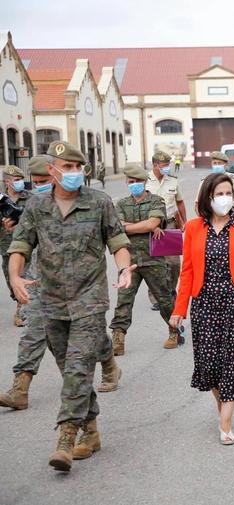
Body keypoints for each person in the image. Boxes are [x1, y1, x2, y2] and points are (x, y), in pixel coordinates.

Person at [7, 141, 135, 472]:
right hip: (50, 302)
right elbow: (20, 244)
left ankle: (66, 438)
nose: (74, 173)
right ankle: (91, 432)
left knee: (78, 369)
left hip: (89, 300)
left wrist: (123, 268)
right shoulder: (37, 207)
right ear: (52, 171)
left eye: (79, 168)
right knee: (70, 373)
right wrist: (16, 277)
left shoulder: (99, 202)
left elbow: (118, 241)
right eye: (67, 167)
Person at [170, 172, 234, 445]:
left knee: (232, 363)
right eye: (219, 194)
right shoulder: (193, 228)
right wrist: (179, 309)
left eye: (229, 194)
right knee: (208, 366)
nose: (225, 199)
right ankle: (223, 403)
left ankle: (225, 422)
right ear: (208, 198)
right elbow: (187, 271)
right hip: (203, 305)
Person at [109, 163, 180, 353]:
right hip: (129, 260)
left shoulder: (157, 201)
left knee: (164, 298)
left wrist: (134, 226)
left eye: (137, 181)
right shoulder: (121, 204)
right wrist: (146, 226)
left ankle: (174, 331)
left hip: (154, 259)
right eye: (130, 181)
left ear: (145, 181)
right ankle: (118, 338)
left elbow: (152, 223)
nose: (134, 184)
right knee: (124, 300)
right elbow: (119, 226)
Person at [145, 150, 186, 314]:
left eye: (168, 164)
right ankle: (156, 297)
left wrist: (184, 221)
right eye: (164, 165)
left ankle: (170, 291)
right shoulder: (145, 181)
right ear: (155, 165)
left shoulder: (173, 181)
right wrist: (149, 225)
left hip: (169, 225)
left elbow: (180, 202)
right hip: (150, 226)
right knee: (154, 264)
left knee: (174, 264)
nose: (167, 167)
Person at [1, 164, 31, 327]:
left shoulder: (30, 198)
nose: (21, 183)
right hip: (6, 247)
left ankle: (22, 309)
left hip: (27, 247)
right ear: (7, 182)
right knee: (10, 278)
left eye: (21, 179)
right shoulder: (1, 200)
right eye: (17, 180)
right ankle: (18, 299)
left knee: (25, 275)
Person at [194, 152, 234, 218]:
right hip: (212, 222)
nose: (217, 165)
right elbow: (197, 205)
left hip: (232, 222)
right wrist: (203, 220)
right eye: (214, 163)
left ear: (226, 165)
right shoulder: (205, 182)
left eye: (219, 163)